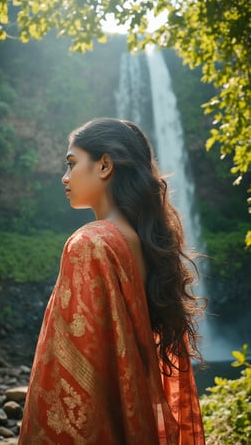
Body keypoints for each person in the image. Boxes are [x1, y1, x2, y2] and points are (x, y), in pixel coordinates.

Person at [18, 117, 206, 445]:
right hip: (133, 415)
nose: (64, 177)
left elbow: (73, 372)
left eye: (72, 164)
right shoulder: (141, 242)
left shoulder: (90, 244)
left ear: (105, 165)